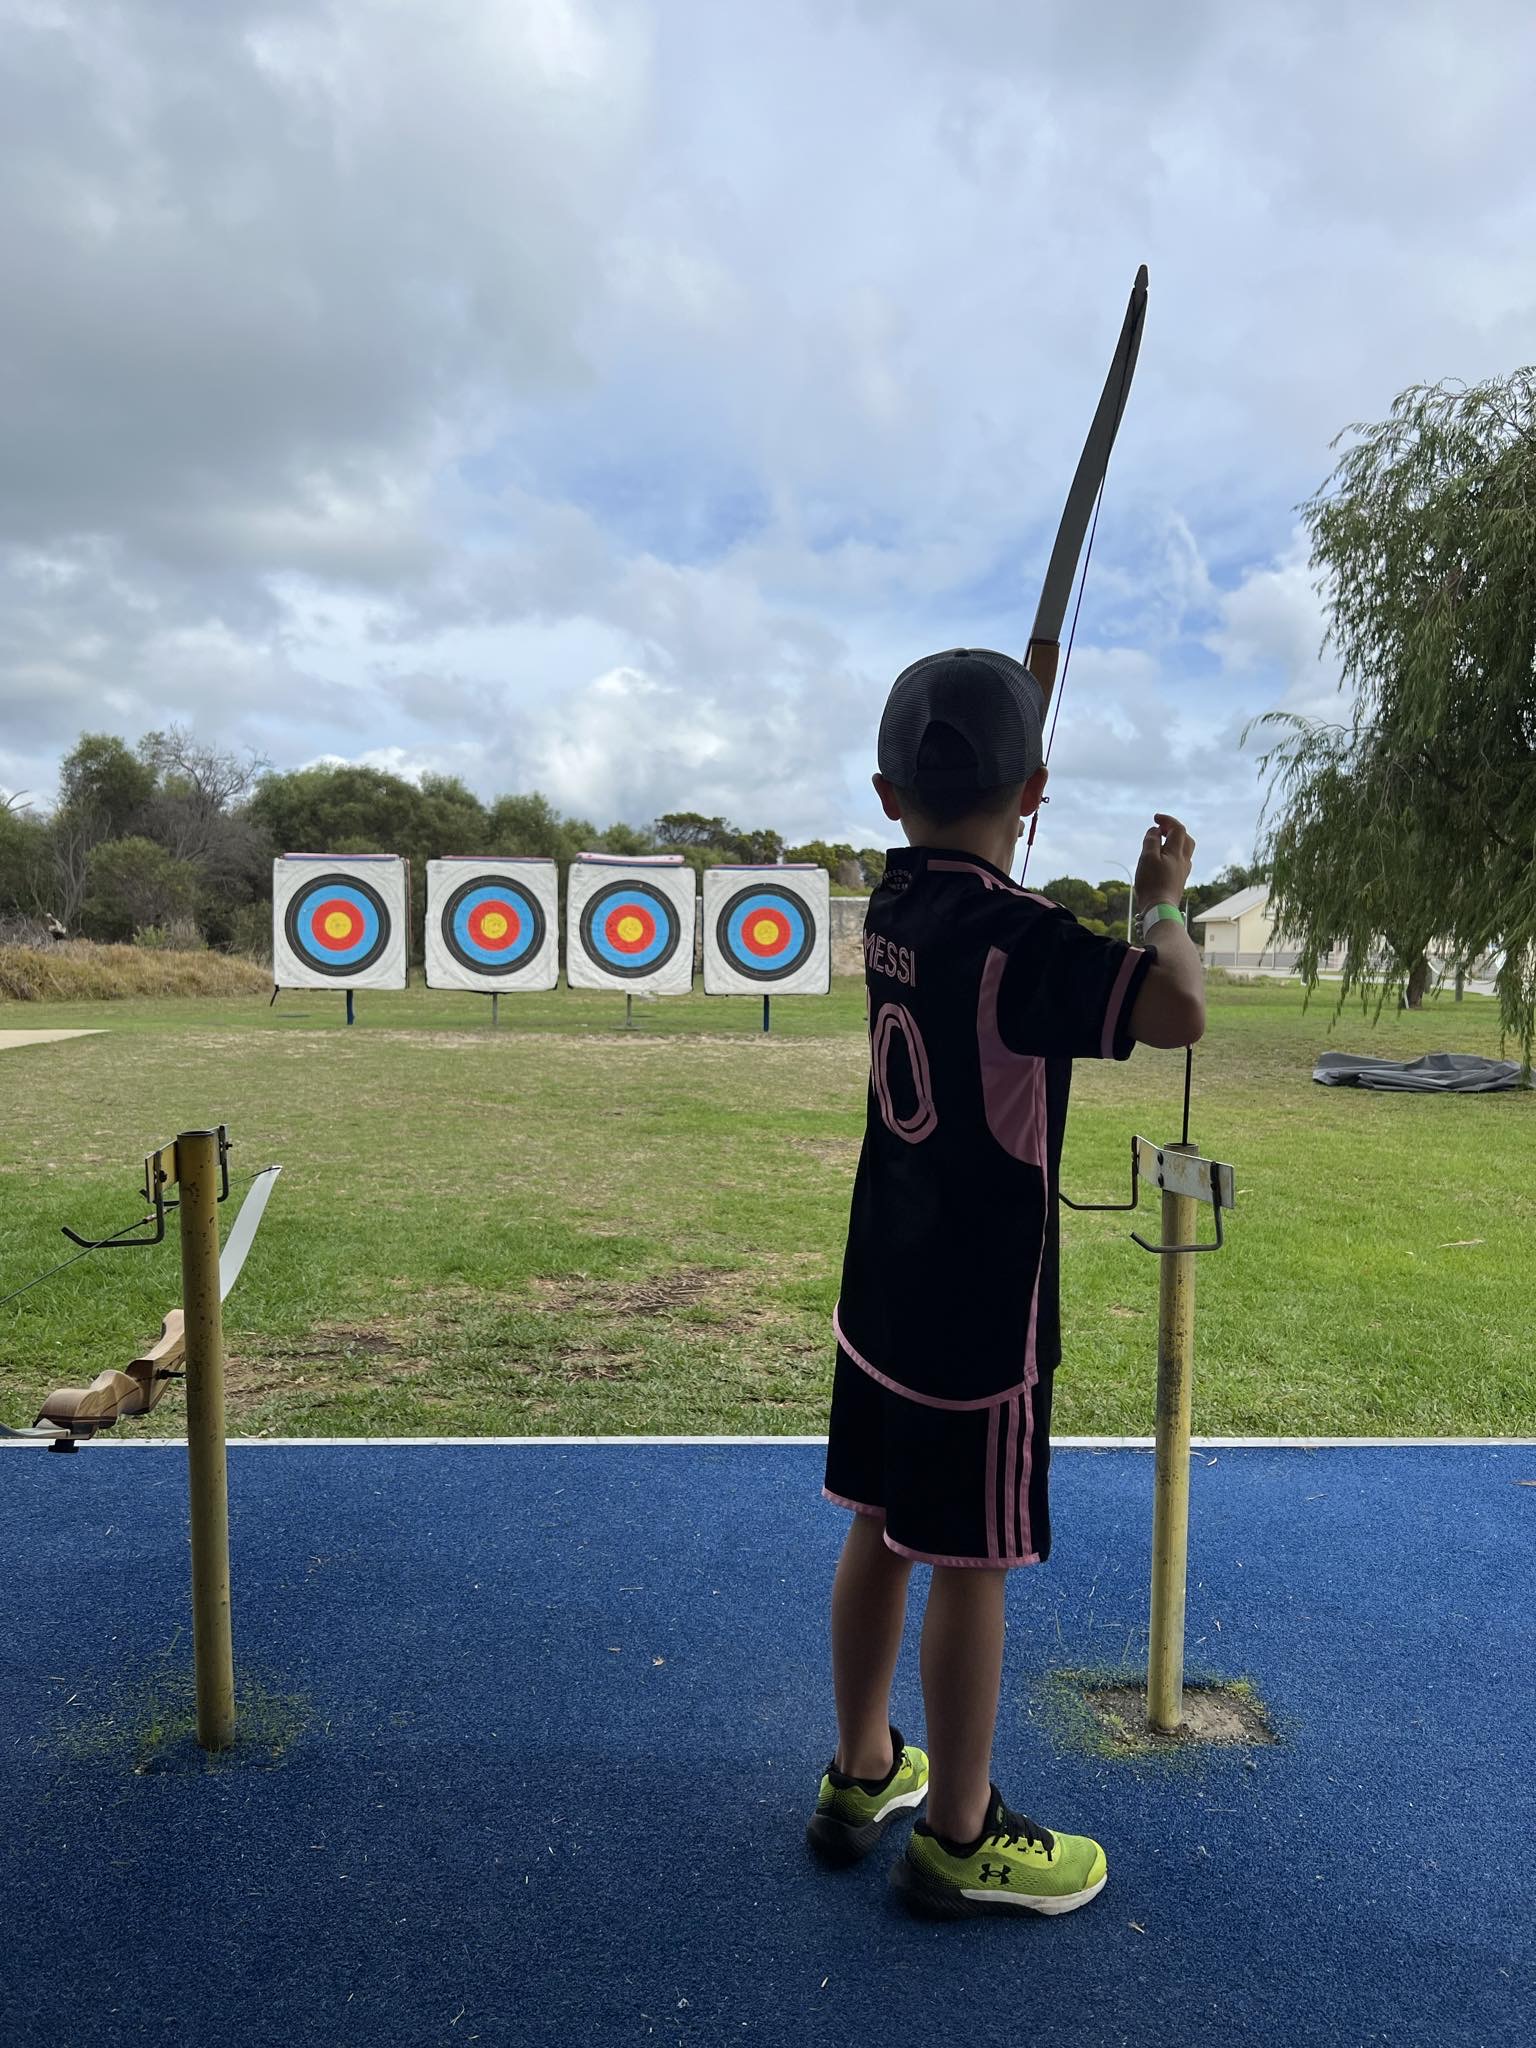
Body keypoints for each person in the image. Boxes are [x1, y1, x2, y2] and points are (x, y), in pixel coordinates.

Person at [805, 647, 1206, 1918]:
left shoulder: (895, 908)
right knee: (970, 1558)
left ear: (885, 796)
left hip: (882, 1292)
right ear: (1032, 790)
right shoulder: (1022, 941)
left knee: (878, 1518)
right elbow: (1181, 1005)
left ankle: (865, 1765)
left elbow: (964, 870)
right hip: (979, 1315)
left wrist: (1006, 781)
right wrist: (1159, 905)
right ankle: (962, 1831)